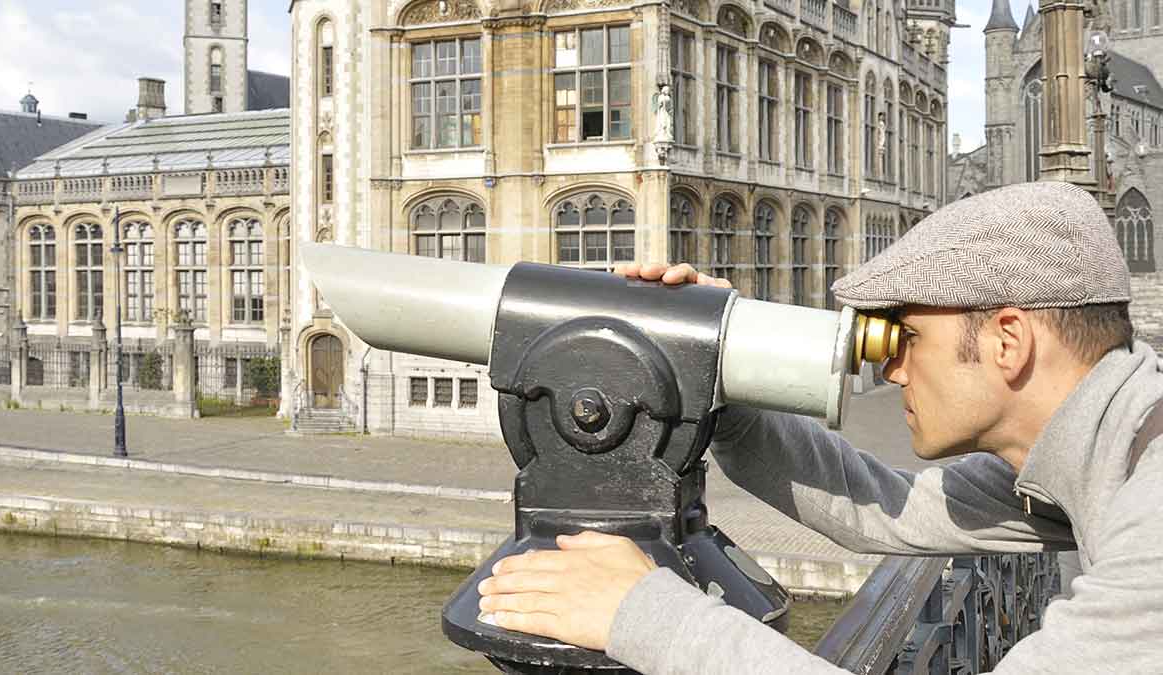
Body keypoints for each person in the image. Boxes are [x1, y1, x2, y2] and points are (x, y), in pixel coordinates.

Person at [476, 182, 1163, 672]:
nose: (892, 370)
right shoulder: (1100, 445)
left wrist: (643, 613)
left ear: (1007, 342)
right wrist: (712, 371)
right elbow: (884, 507)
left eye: (908, 338)